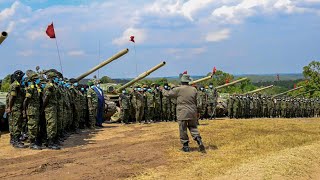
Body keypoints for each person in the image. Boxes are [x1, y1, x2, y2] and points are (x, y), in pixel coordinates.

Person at [162, 73, 206, 153]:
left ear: (181, 81)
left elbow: (167, 94)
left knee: (183, 128)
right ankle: (198, 140)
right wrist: (198, 111)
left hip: (182, 111)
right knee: (193, 127)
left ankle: (185, 146)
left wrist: (164, 89)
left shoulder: (178, 89)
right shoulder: (194, 89)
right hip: (192, 111)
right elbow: (198, 102)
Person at [6, 70, 27, 148]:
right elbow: (12, 97)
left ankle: (14, 140)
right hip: (15, 108)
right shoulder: (15, 85)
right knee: (16, 124)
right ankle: (16, 141)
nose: (22, 77)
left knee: (16, 124)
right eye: (22, 76)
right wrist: (10, 107)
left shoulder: (18, 84)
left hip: (17, 107)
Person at [23, 70, 42, 150]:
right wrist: (24, 111)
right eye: (37, 79)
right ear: (33, 79)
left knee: (35, 126)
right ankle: (32, 143)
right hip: (32, 110)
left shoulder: (35, 87)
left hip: (35, 110)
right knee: (32, 126)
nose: (39, 80)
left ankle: (35, 141)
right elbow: (25, 101)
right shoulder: (31, 88)